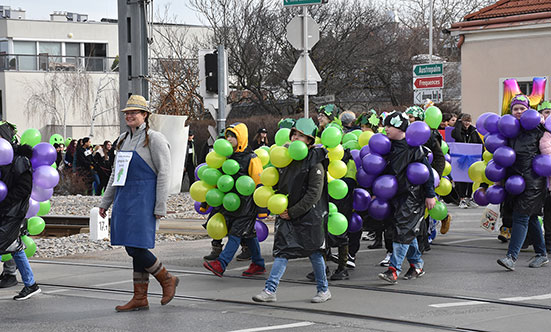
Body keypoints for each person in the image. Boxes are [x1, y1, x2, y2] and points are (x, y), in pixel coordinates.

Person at [99, 94, 178, 312]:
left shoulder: (155, 139)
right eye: (128, 112)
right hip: (125, 198)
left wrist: (160, 205)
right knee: (132, 245)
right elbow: (116, 173)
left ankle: (166, 278)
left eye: (135, 112)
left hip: (144, 198)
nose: (130, 115)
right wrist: (105, 202)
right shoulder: (123, 139)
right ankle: (140, 297)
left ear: (145, 115)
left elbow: (164, 174)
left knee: (136, 246)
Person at [252, 118, 331, 303]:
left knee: (314, 253)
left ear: (310, 141)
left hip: (309, 216)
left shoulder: (316, 162)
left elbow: (314, 194)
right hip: (287, 213)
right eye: (294, 134)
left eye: (301, 136)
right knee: (282, 251)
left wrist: (293, 211)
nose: (296, 138)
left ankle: (324, 290)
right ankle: (270, 290)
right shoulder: (286, 158)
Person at [378, 111, 436, 284]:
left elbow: (427, 174)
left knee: (403, 230)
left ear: (401, 128)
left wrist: (430, 195)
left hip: (412, 196)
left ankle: (393, 270)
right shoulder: (387, 146)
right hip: (395, 195)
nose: (386, 128)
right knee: (405, 231)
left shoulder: (413, 147)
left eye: (390, 126)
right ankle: (417, 265)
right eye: (385, 125)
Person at [203, 122, 266, 277]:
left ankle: (221, 263)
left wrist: (262, 209)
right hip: (230, 203)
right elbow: (217, 181)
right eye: (228, 136)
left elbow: (259, 183)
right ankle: (258, 264)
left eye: (233, 136)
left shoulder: (252, 158)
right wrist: (207, 202)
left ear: (241, 138)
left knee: (235, 233)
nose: (229, 139)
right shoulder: (225, 157)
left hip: (247, 204)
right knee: (248, 234)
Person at [496, 94, 549, 270]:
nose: (518, 112)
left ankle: (511, 257)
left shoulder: (538, 131)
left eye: (522, 108)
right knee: (532, 217)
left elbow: (547, 156)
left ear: (529, 110)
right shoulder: (510, 130)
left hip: (534, 182)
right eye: (515, 109)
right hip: (515, 181)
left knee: (521, 216)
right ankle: (541, 254)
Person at [0, 121, 41, 300]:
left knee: (11, 244)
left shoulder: (20, 160)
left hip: (13, 211)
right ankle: (30, 284)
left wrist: (6, 202)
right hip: (6, 210)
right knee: (14, 246)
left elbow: (24, 188)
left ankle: (30, 284)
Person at [451, 113, 483, 208]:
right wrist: (458, 124)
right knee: (460, 179)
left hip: (471, 158)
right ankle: (461, 199)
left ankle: (469, 197)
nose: (467, 123)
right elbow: (457, 136)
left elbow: (479, 144)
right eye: (465, 121)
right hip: (460, 159)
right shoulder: (457, 130)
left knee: (470, 178)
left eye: (468, 121)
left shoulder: (473, 131)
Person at [538, 100, 551, 254]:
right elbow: (546, 153)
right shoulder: (544, 134)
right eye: (546, 112)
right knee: (546, 213)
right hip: (545, 183)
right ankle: (547, 241)